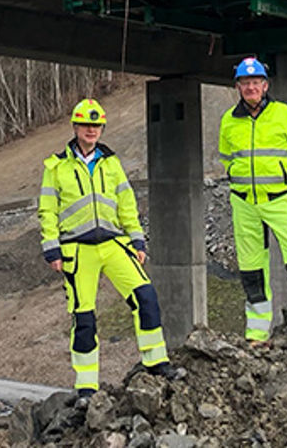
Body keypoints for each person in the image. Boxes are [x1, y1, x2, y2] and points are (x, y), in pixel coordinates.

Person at [38, 97, 182, 397]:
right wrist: (52, 249)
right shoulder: (56, 167)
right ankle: (86, 386)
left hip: (114, 244)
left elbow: (127, 204)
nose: (91, 130)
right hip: (78, 251)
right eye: (86, 125)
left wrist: (137, 239)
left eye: (96, 125)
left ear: (102, 128)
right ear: (76, 126)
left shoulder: (112, 163)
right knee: (85, 318)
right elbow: (47, 210)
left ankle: (156, 362)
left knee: (146, 298)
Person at [218, 56, 287, 343]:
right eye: (245, 83)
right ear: (238, 87)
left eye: (255, 82)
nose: (251, 87)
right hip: (244, 203)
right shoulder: (229, 121)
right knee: (251, 270)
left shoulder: (286, 115)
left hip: (279, 199)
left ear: (265, 85)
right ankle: (256, 333)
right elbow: (226, 158)